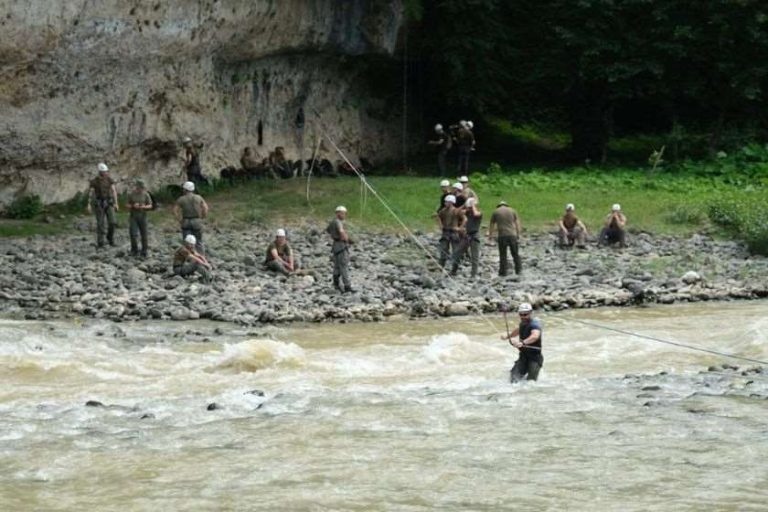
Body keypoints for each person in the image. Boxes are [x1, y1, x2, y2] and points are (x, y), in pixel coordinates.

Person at [501, 302, 543, 382]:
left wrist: (523, 343)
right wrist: (507, 336)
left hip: (534, 358)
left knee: (531, 382)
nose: (523, 316)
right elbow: (518, 331)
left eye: (525, 314)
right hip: (523, 357)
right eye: (521, 314)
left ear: (530, 313)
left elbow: (535, 336)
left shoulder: (535, 324)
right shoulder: (522, 323)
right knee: (513, 378)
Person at [87, 162, 119, 248]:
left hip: (109, 202)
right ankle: (100, 242)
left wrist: (116, 203)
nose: (106, 173)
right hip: (99, 203)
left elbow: (114, 191)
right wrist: (89, 204)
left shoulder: (109, 180)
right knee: (100, 223)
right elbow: (90, 192)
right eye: (104, 171)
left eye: (106, 171)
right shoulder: (94, 181)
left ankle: (110, 238)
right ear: (100, 172)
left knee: (112, 222)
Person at [488, 200, 522, 276]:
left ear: (499, 205)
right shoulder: (513, 211)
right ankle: (518, 270)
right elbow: (517, 223)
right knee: (515, 253)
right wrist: (518, 234)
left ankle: (503, 272)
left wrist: (490, 236)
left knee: (503, 254)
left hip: (502, 235)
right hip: (512, 235)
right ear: (507, 205)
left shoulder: (496, 212)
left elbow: (492, 224)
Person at [173, 181, 209, 253]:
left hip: (186, 221)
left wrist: (179, 220)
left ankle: (187, 257)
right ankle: (200, 257)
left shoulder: (181, 199)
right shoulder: (198, 197)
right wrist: (203, 217)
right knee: (198, 241)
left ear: (185, 189)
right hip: (197, 221)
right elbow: (205, 208)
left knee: (187, 242)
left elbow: (175, 210)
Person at [326, 205, 354, 293]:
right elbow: (341, 232)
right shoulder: (338, 222)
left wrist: (334, 236)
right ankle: (347, 286)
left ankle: (336, 285)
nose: (344, 215)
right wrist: (348, 240)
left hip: (335, 245)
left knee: (337, 266)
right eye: (343, 213)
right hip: (341, 246)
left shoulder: (332, 222)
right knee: (344, 266)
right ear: (338, 213)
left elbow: (328, 230)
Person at [452, 197, 482, 277]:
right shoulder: (467, 213)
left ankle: (473, 274)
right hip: (467, 235)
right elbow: (456, 212)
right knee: (457, 252)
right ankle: (453, 271)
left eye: (470, 207)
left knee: (474, 256)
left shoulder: (479, 213)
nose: (469, 208)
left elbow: (476, 214)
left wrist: (472, 205)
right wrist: (464, 205)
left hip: (475, 236)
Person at [436, 194, 465, 269]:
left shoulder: (456, 211)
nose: (445, 203)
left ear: (451, 202)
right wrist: (440, 225)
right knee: (443, 249)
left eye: (447, 202)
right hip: (445, 232)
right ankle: (441, 266)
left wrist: (459, 228)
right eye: (445, 202)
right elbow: (438, 216)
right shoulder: (443, 210)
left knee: (456, 251)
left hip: (453, 232)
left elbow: (465, 219)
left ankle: (454, 268)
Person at [126, 179, 153, 257]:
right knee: (133, 233)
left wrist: (144, 206)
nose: (141, 189)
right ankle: (134, 249)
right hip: (133, 216)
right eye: (140, 188)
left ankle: (144, 250)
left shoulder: (146, 195)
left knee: (144, 234)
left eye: (142, 188)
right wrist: (133, 206)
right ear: (137, 187)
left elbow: (150, 205)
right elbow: (127, 205)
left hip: (143, 216)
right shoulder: (131, 194)